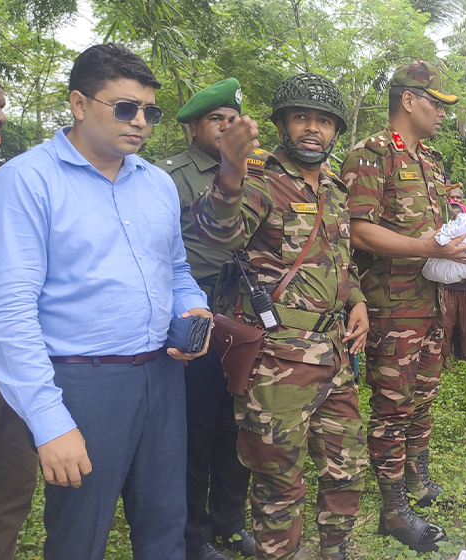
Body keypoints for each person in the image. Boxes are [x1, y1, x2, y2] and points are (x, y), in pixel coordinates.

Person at [0, 43, 212, 560]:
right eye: (125, 108)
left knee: (164, 522)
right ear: (78, 103)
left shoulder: (155, 183)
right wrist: (50, 422)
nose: (140, 122)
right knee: (79, 535)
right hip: (80, 381)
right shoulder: (28, 180)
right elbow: (9, 310)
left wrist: (193, 307)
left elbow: (177, 269)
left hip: (160, 374)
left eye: (150, 112)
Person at [192, 73, 369, 560]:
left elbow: (340, 261)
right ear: (283, 124)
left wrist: (356, 301)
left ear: (336, 130)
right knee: (278, 484)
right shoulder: (256, 179)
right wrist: (229, 168)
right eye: (302, 117)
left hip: (334, 355)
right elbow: (217, 233)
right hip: (277, 362)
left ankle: (336, 550)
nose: (314, 129)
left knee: (347, 467)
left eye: (325, 121)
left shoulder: (334, 188)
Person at [342, 60, 466, 552]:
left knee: (422, 399)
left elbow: (435, 231)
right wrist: (428, 249)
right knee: (393, 406)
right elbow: (358, 230)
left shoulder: (431, 159)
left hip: (431, 301)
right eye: (437, 104)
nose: (442, 113)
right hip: (390, 306)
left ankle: (417, 483)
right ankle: (393, 510)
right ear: (409, 101)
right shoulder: (371, 154)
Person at [155, 78, 255, 560]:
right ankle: (194, 534)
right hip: (197, 316)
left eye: (233, 120)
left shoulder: (252, 173)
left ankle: (231, 524)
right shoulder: (168, 177)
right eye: (216, 119)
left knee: (239, 424)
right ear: (193, 125)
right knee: (196, 430)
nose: (225, 128)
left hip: (245, 318)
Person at [0, 71, 40, 560]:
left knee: (12, 484)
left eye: (1, 106)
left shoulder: (5, 178)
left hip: (13, 358)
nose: (0, 116)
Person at [443, 202, 466, 365]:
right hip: (447, 287)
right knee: (446, 323)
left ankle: (464, 355)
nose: (456, 221)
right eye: (453, 217)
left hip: (465, 287)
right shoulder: (443, 237)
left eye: (459, 217)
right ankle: (444, 357)